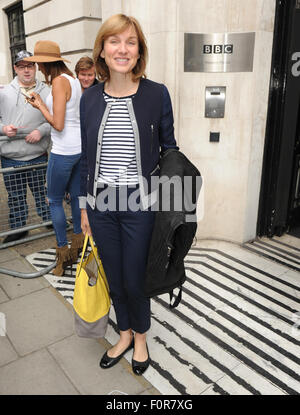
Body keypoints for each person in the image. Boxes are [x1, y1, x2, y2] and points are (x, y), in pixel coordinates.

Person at [79, 14, 178, 376]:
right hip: (102, 203)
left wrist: (172, 213)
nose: (123, 49)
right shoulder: (89, 99)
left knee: (135, 277)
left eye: (131, 42)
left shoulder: (156, 94)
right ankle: (122, 334)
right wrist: (84, 207)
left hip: (140, 204)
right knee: (114, 275)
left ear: (139, 51)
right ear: (102, 51)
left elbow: (171, 152)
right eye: (114, 41)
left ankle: (140, 339)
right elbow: (87, 159)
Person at [24, 41, 84, 276]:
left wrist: (39, 104)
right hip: (78, 149)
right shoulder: (73, 80)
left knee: (54, 200)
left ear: (47, 63)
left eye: (39, 62)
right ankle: (79, 248)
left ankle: (63, 255)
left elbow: (57, 123)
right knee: (78, 199)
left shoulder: (59, 82)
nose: (38, 67)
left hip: (63, 151)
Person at [0, 50, 51, 243]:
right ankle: (19, 228)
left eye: (30, 66)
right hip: (10, 156)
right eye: (22, 66)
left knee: (42, 192)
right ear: (15, 68)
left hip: (37, 154)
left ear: (36, 67)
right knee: (15, 196)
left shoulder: (47, 91)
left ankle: (49, 220)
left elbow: (56, 118)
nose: (27, 70)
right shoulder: (3, 92)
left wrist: (41, 131)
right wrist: (4, 129)